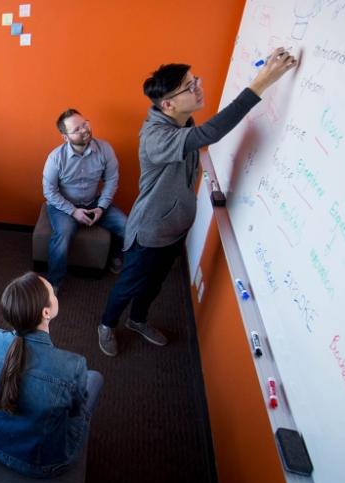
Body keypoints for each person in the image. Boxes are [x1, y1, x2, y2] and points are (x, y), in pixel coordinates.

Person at [96, 47, 298, 357]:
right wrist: (261, 83)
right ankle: (107, 324)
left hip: (175, 229)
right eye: (190, 87)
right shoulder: (156, 136)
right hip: (150, 231)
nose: (198, 88)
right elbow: (212, 133)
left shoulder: (182, 120)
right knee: (129, 285)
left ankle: (138, 320)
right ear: (168, 104)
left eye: (195, 80)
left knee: (154, 285)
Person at [0, 272, 103, 478]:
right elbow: (74, 413)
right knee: (95, 378)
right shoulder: (73, 366)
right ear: (46, 312)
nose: (55, 295)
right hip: (40, 464)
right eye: (52, 293)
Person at [43, 109, 129, 293]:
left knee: (127, 226)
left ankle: (116, 258)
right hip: (64, 207)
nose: (84, 130)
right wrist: (73, 211)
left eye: (85, 124)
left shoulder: (105, 149)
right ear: (65, 137)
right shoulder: (55, 158)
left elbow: (112, 180)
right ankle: (54, 283)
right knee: (63, 235)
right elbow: (49, 192)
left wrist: (101, 207)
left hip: (94, 202)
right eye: (77, 129)